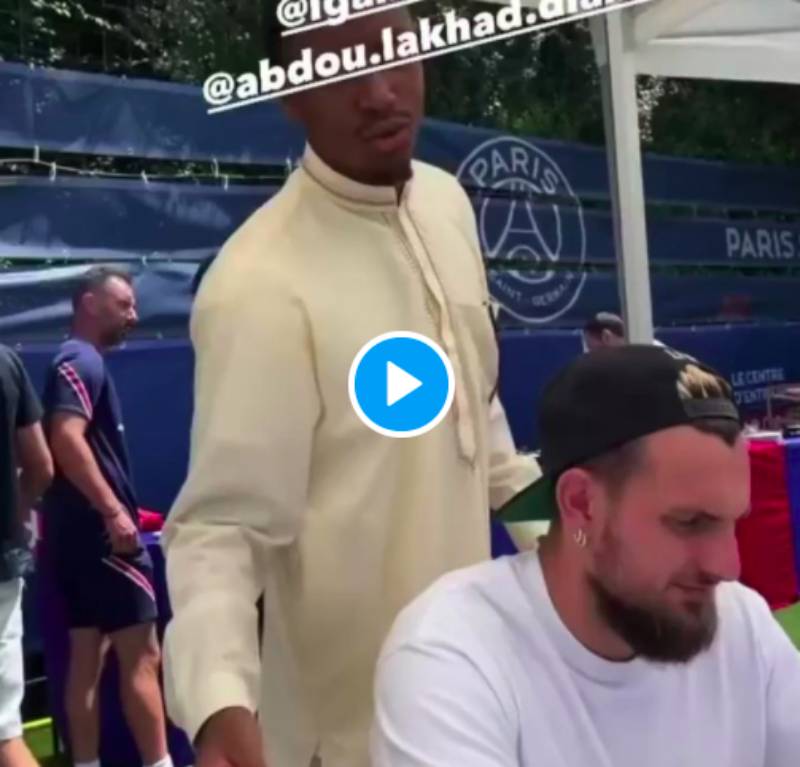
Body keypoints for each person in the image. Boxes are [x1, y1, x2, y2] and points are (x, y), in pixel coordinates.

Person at [160, 6, 540, 767]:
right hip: (347, 738)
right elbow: (222, 529)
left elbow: (486, 432)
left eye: (395, 53)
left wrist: (584, 544)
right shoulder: (259, 283)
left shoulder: (445, 205)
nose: (379, 92)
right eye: (339, 71)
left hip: (477, 708)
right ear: (290, 94)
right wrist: (219, 703)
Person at [371, 344, 800, 766]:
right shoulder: (454, 654)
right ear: (581, 504)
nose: (727, 567)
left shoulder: (742, 624)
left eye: (732, 523)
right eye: (689, 522)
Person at [39, 267, 172, 767]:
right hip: (105, 542)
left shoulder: (77, 361)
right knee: (143, 656)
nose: (133, 316)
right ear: (90, 304)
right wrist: (114, 512)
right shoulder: (81, 360)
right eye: (124, 305)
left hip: (76, 541)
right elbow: (64, 438)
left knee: (86, 660)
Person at [0, 345, 53, 767]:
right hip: (2, 561)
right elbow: (41, 466)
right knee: (4, 734)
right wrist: (14, 516)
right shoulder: (6, 362)